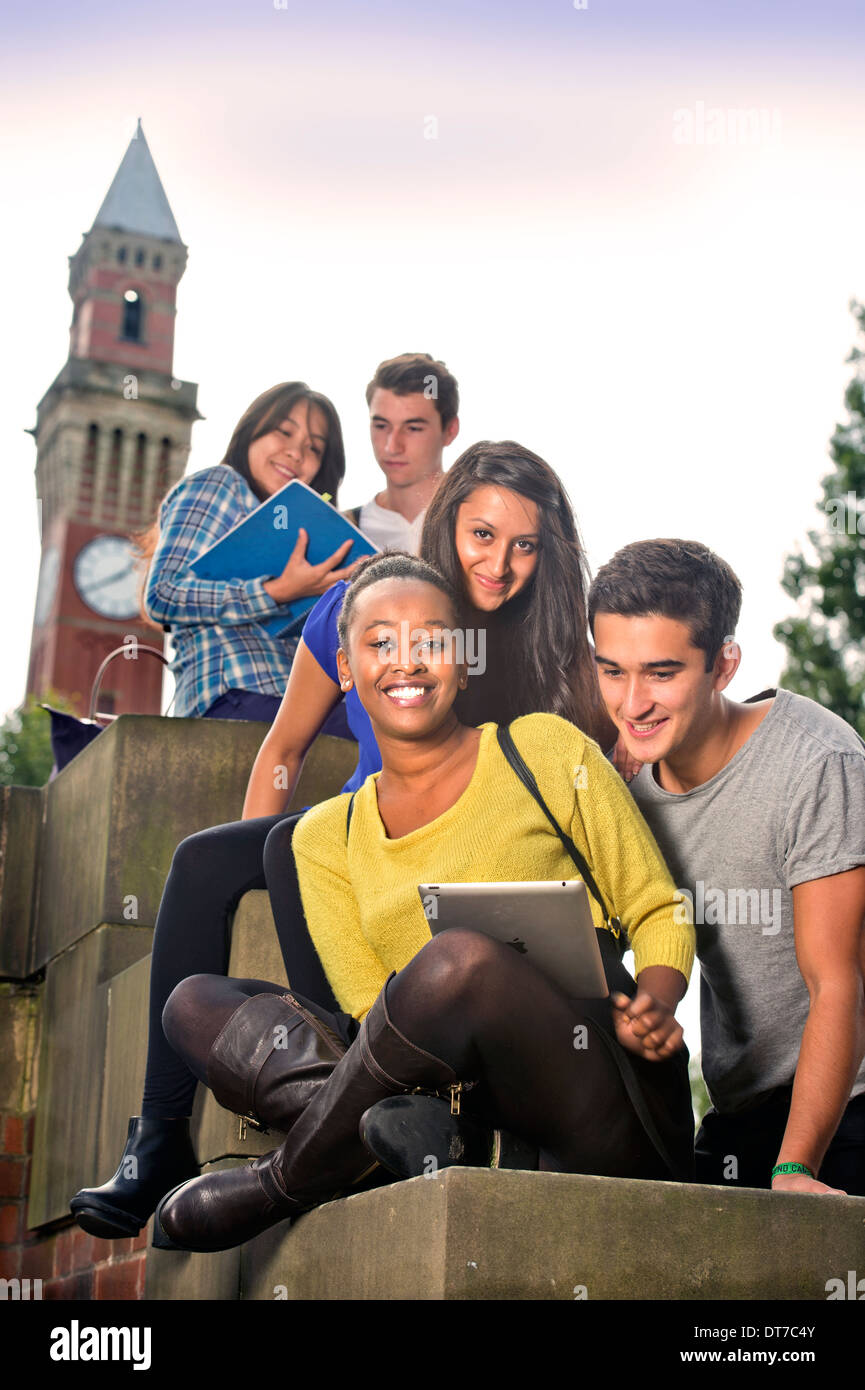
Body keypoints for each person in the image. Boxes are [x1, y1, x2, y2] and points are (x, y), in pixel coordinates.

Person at [69, 438, 616, 1242]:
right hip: (364, 824)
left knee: (296, 847)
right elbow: (284, 750)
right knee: (222, 854)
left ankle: (355, 1090)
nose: (498, 564)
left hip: (462, 857)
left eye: (523, 545)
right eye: (480, 536)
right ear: (445, 527)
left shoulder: (553, 657)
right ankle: (156, 1142)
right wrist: (268, 836)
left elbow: (590, 799)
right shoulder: (365, 607)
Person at [154, 552, 696, 1252]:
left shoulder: (543, 749)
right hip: (444, 1088)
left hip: (594, 1081)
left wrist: (655, 999)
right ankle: (420, 1143)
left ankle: (283, 1182)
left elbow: (658, 907)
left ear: (462, 659)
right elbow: (362, 1013)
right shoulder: (324, 837)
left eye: (431, 641)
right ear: (346, 669)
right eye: (379, 643)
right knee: (192, 1003)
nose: (405, 662)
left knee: (461, 959)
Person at [588, 538, 865, 1196]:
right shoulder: (622, 795)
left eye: (661, 673)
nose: (632, 703)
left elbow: (837, 983)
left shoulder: (817, 760)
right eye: (611, 671)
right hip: (739, 1112)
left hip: (847, 1103)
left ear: (722, 666)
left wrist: (796, 1168)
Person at [143, 380, 354, 722]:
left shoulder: (301, 529)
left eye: (314, 448)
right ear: (251, 431)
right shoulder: (221, 484)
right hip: (238, 699)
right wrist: (277, 592)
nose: (296, 453)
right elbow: (163, 594)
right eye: (283, 432)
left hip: (298, 706)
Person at [344, 352, 460, 549]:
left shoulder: (479, 519)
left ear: (450, 431)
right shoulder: (346, 530)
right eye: (381, 426)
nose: (392, 446)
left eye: (413, 428)